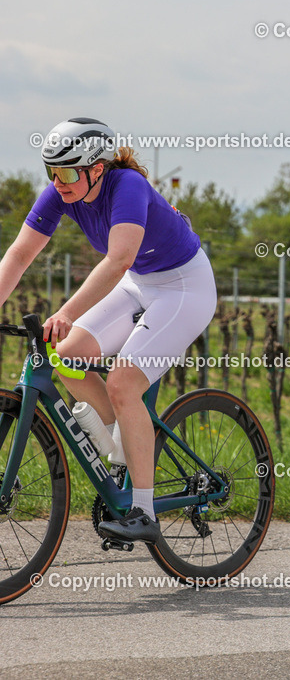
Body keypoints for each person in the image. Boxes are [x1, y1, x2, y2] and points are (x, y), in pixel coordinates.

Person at [0, 118, 217, 543]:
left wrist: (64, 312)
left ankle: (143, 509)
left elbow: (117, 260)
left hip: (184, 288)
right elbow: (19, 254)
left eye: (65, 173)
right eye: (51, 172)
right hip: (140, 283)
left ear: (95, 169)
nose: (56, 182)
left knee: (122, 384)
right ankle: (122, 449)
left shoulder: (127, 187)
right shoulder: (63, 192)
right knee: (65, 357)